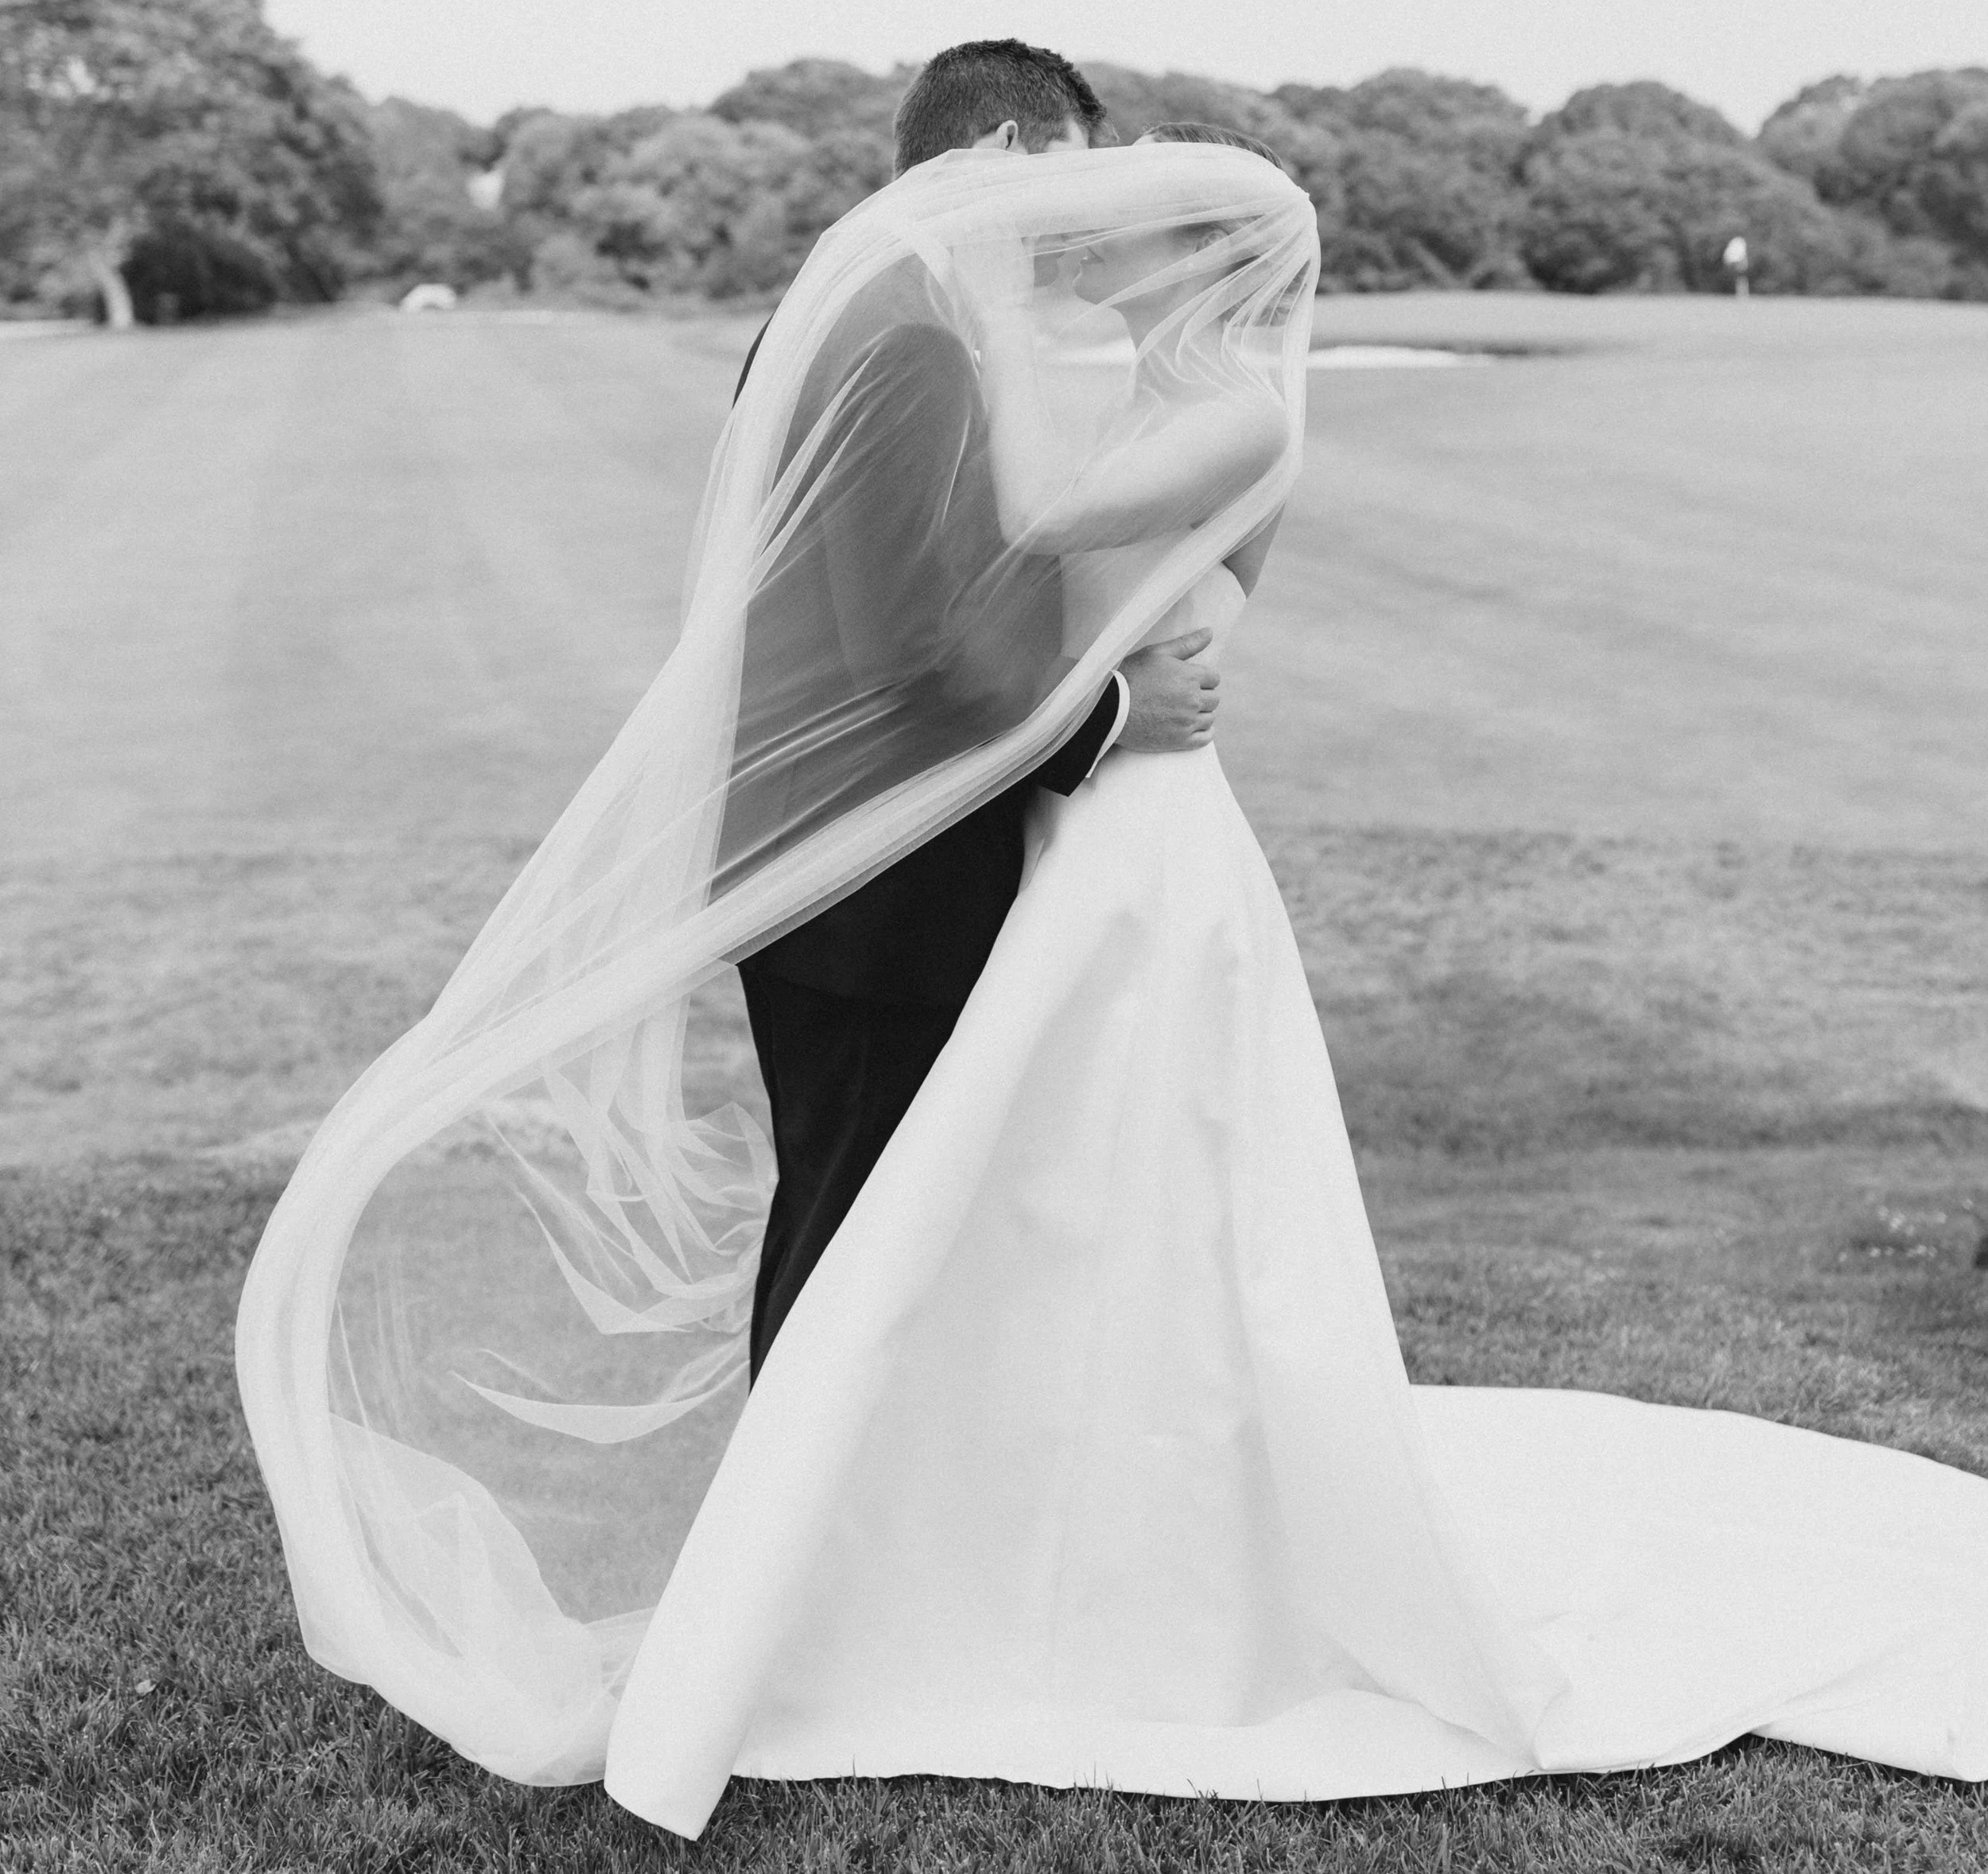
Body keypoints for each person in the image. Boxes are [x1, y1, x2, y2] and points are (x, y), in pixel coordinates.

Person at [237, 118, 1987, 1829]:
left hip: (1136, 847)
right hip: (1055, 826)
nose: (1093, 244)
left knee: (1083, 1191)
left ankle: (997, 1550)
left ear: (1211, 261)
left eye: (1137, 232)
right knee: (999, 1200)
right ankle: (901, 1537)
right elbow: (978, 588)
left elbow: (1026, 543)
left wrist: (966, 389)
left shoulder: (1218, 406)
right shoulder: (1064, 369)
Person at [728, 41, 1225, 1375]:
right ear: (1002, 156)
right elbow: (906, 649)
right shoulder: (908, 334)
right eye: (1065, 182)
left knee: (881, 1239)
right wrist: (1114, 710)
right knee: (852, 1248)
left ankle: (835, 1561)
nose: (1076, 226)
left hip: (831, 861)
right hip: (868, 883)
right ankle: (779, 1576)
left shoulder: (864, 298)